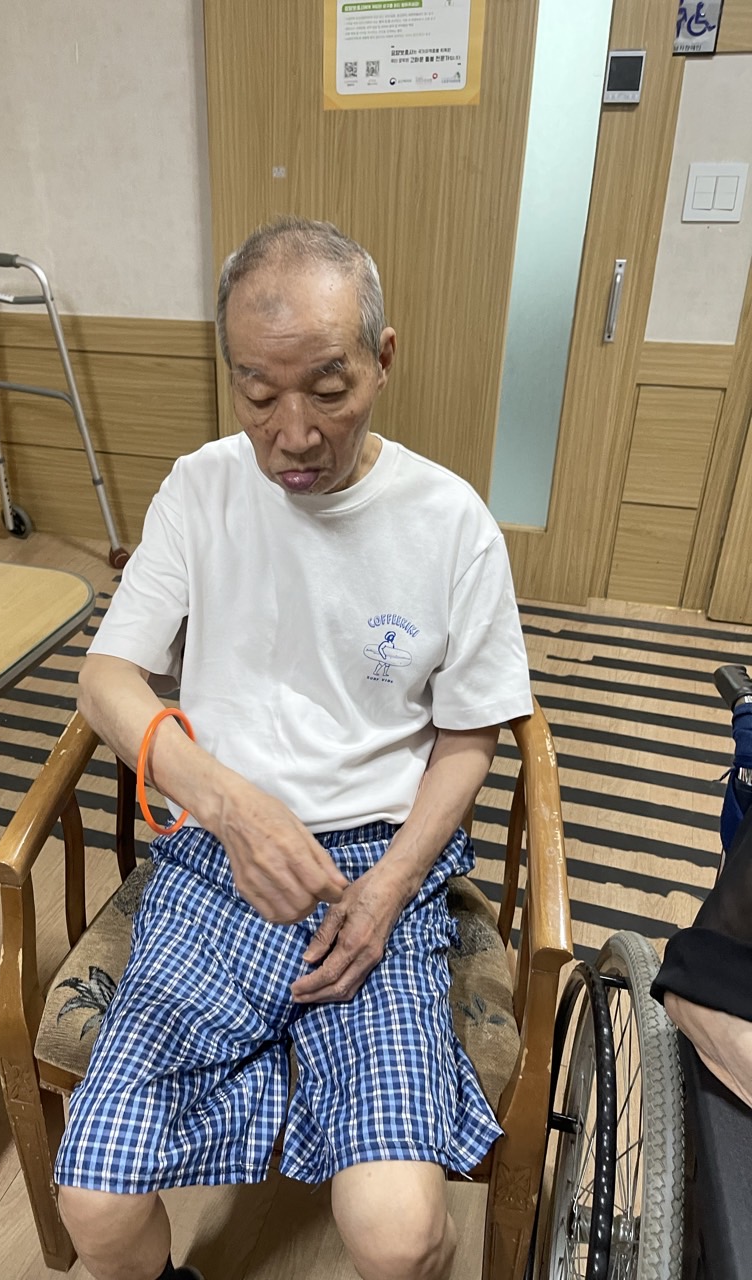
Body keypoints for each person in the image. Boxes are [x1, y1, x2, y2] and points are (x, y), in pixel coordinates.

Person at [55, 217, 533, 1280]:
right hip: (210, 860)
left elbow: (470, 735)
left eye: (328, 388)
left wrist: (390, 887)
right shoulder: (201, 488)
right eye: (258, 394)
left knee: (399, 1235)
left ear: (383, 358)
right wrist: (230, 806)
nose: (295, 434)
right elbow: (107, 678)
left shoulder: (450, 521)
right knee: (94, 1203)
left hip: (377, 868)